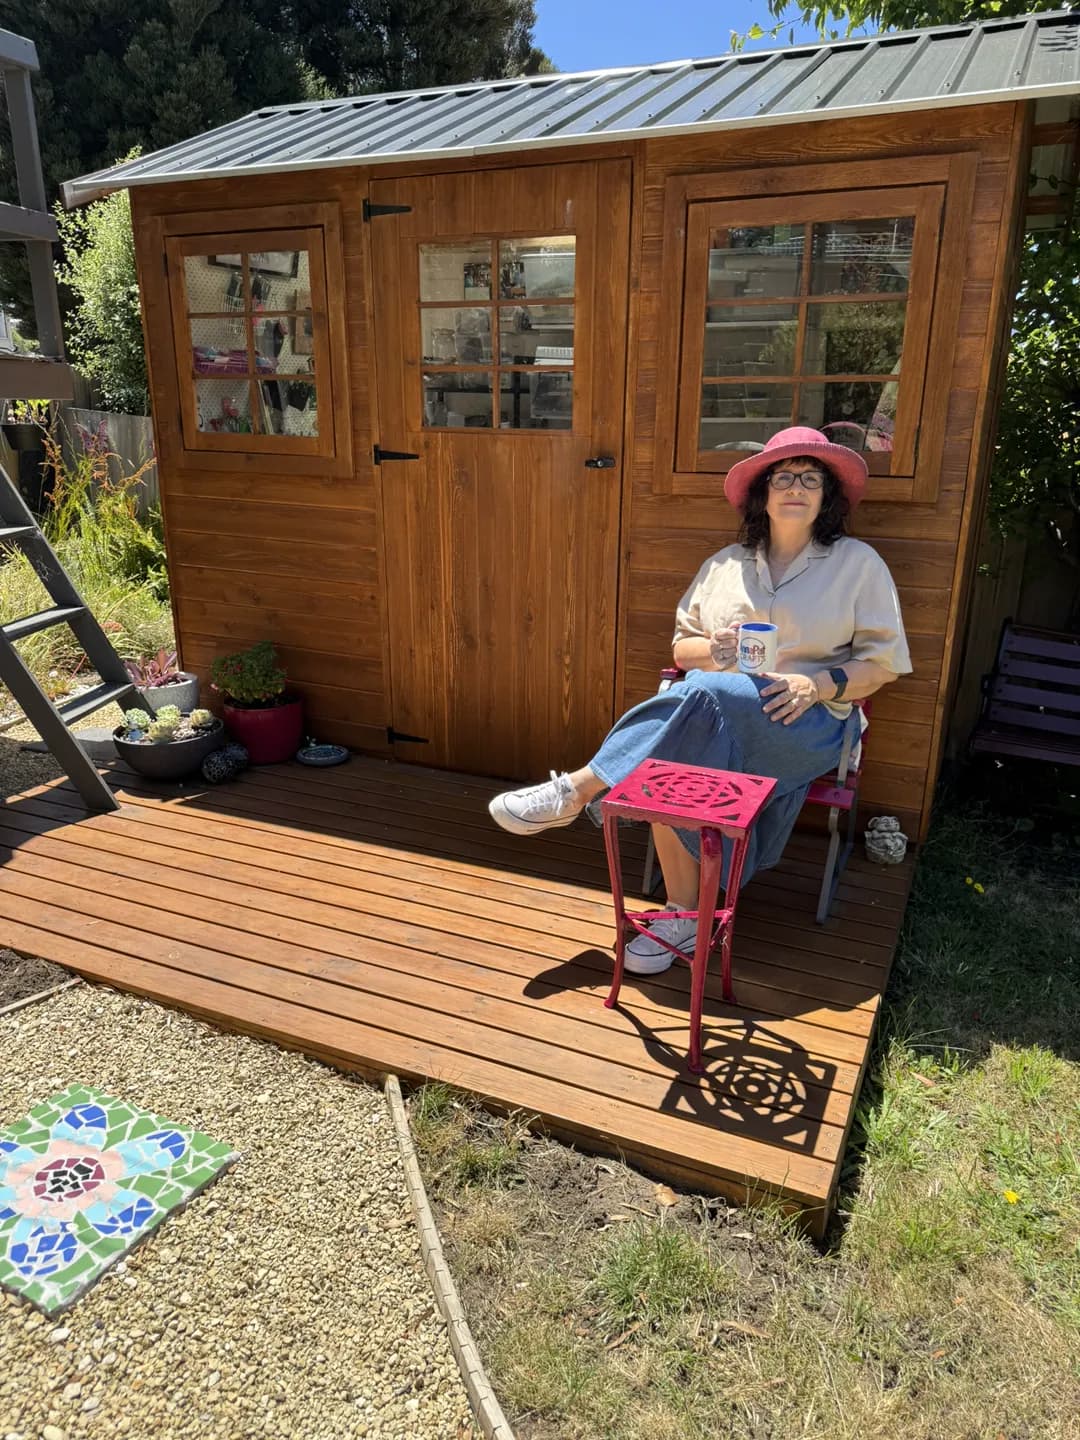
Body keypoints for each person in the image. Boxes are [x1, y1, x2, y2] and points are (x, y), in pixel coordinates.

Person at [488, 426, 911, 975]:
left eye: (811, 479)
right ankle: (685, 917)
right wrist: (714, 646)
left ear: (827, 497)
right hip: (718, 716)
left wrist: (817, 684)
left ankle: (580, 789)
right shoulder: (724, 566)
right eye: (783, 477)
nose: (796, 488)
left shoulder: (858, 565)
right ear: (762, 493)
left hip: (808, 725)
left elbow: (882, 665)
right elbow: (682, 649)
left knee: (698, 700)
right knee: (678, 746)